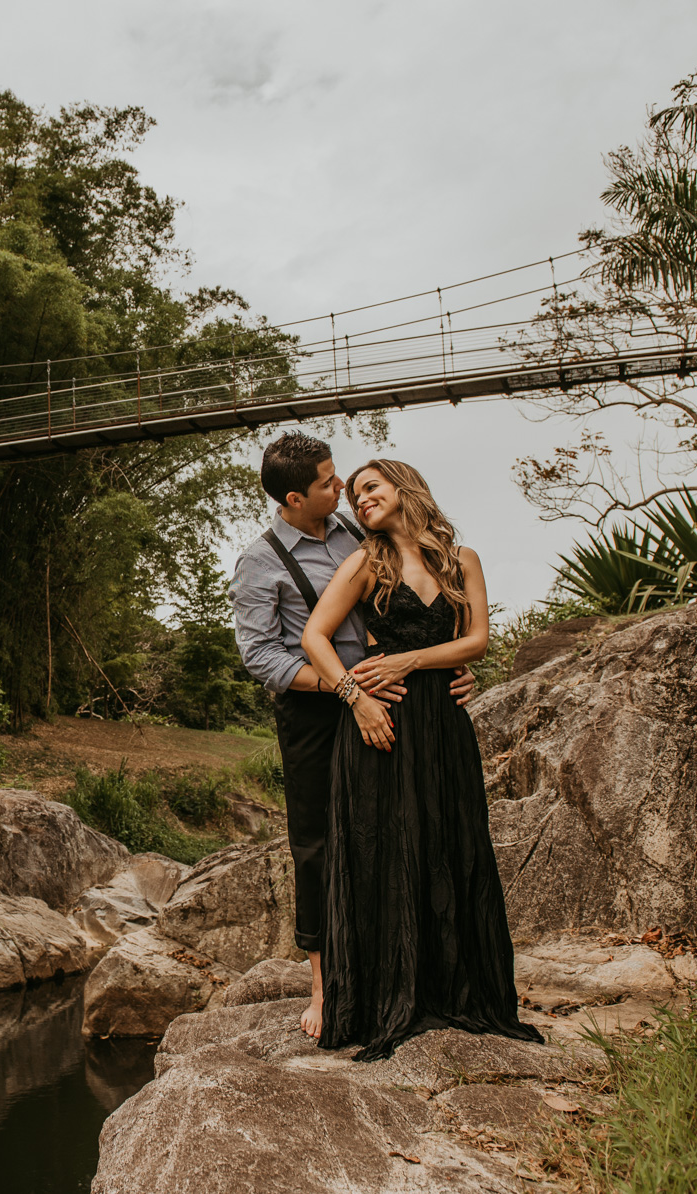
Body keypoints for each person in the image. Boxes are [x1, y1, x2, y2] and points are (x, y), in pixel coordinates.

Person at [229, 434, 475, 1041]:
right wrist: (346, 690)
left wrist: (452, 664)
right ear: (294, 496)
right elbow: (261, 655)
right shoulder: (260, 562)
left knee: (394, 831)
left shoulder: (354, 533)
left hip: (396, 698)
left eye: (341, 477)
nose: (340, 488)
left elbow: (420, 605)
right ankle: (323, 984)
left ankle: (400, 970)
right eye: (327, 482)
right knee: (318, 844)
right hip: (317, 712)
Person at [299, 458, 541, 1060]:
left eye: (370, 489)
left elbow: (477, 641)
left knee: (448, 843)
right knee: (388, 848)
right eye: (354, 496)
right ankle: (385, 997)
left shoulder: (463, 561)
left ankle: (452, 990)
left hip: (444, 724)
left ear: (405, 489)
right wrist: (355, 698)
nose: (360, 501)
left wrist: (411, 660)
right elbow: (314, 636)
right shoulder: (366, 561)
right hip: (385, 724)